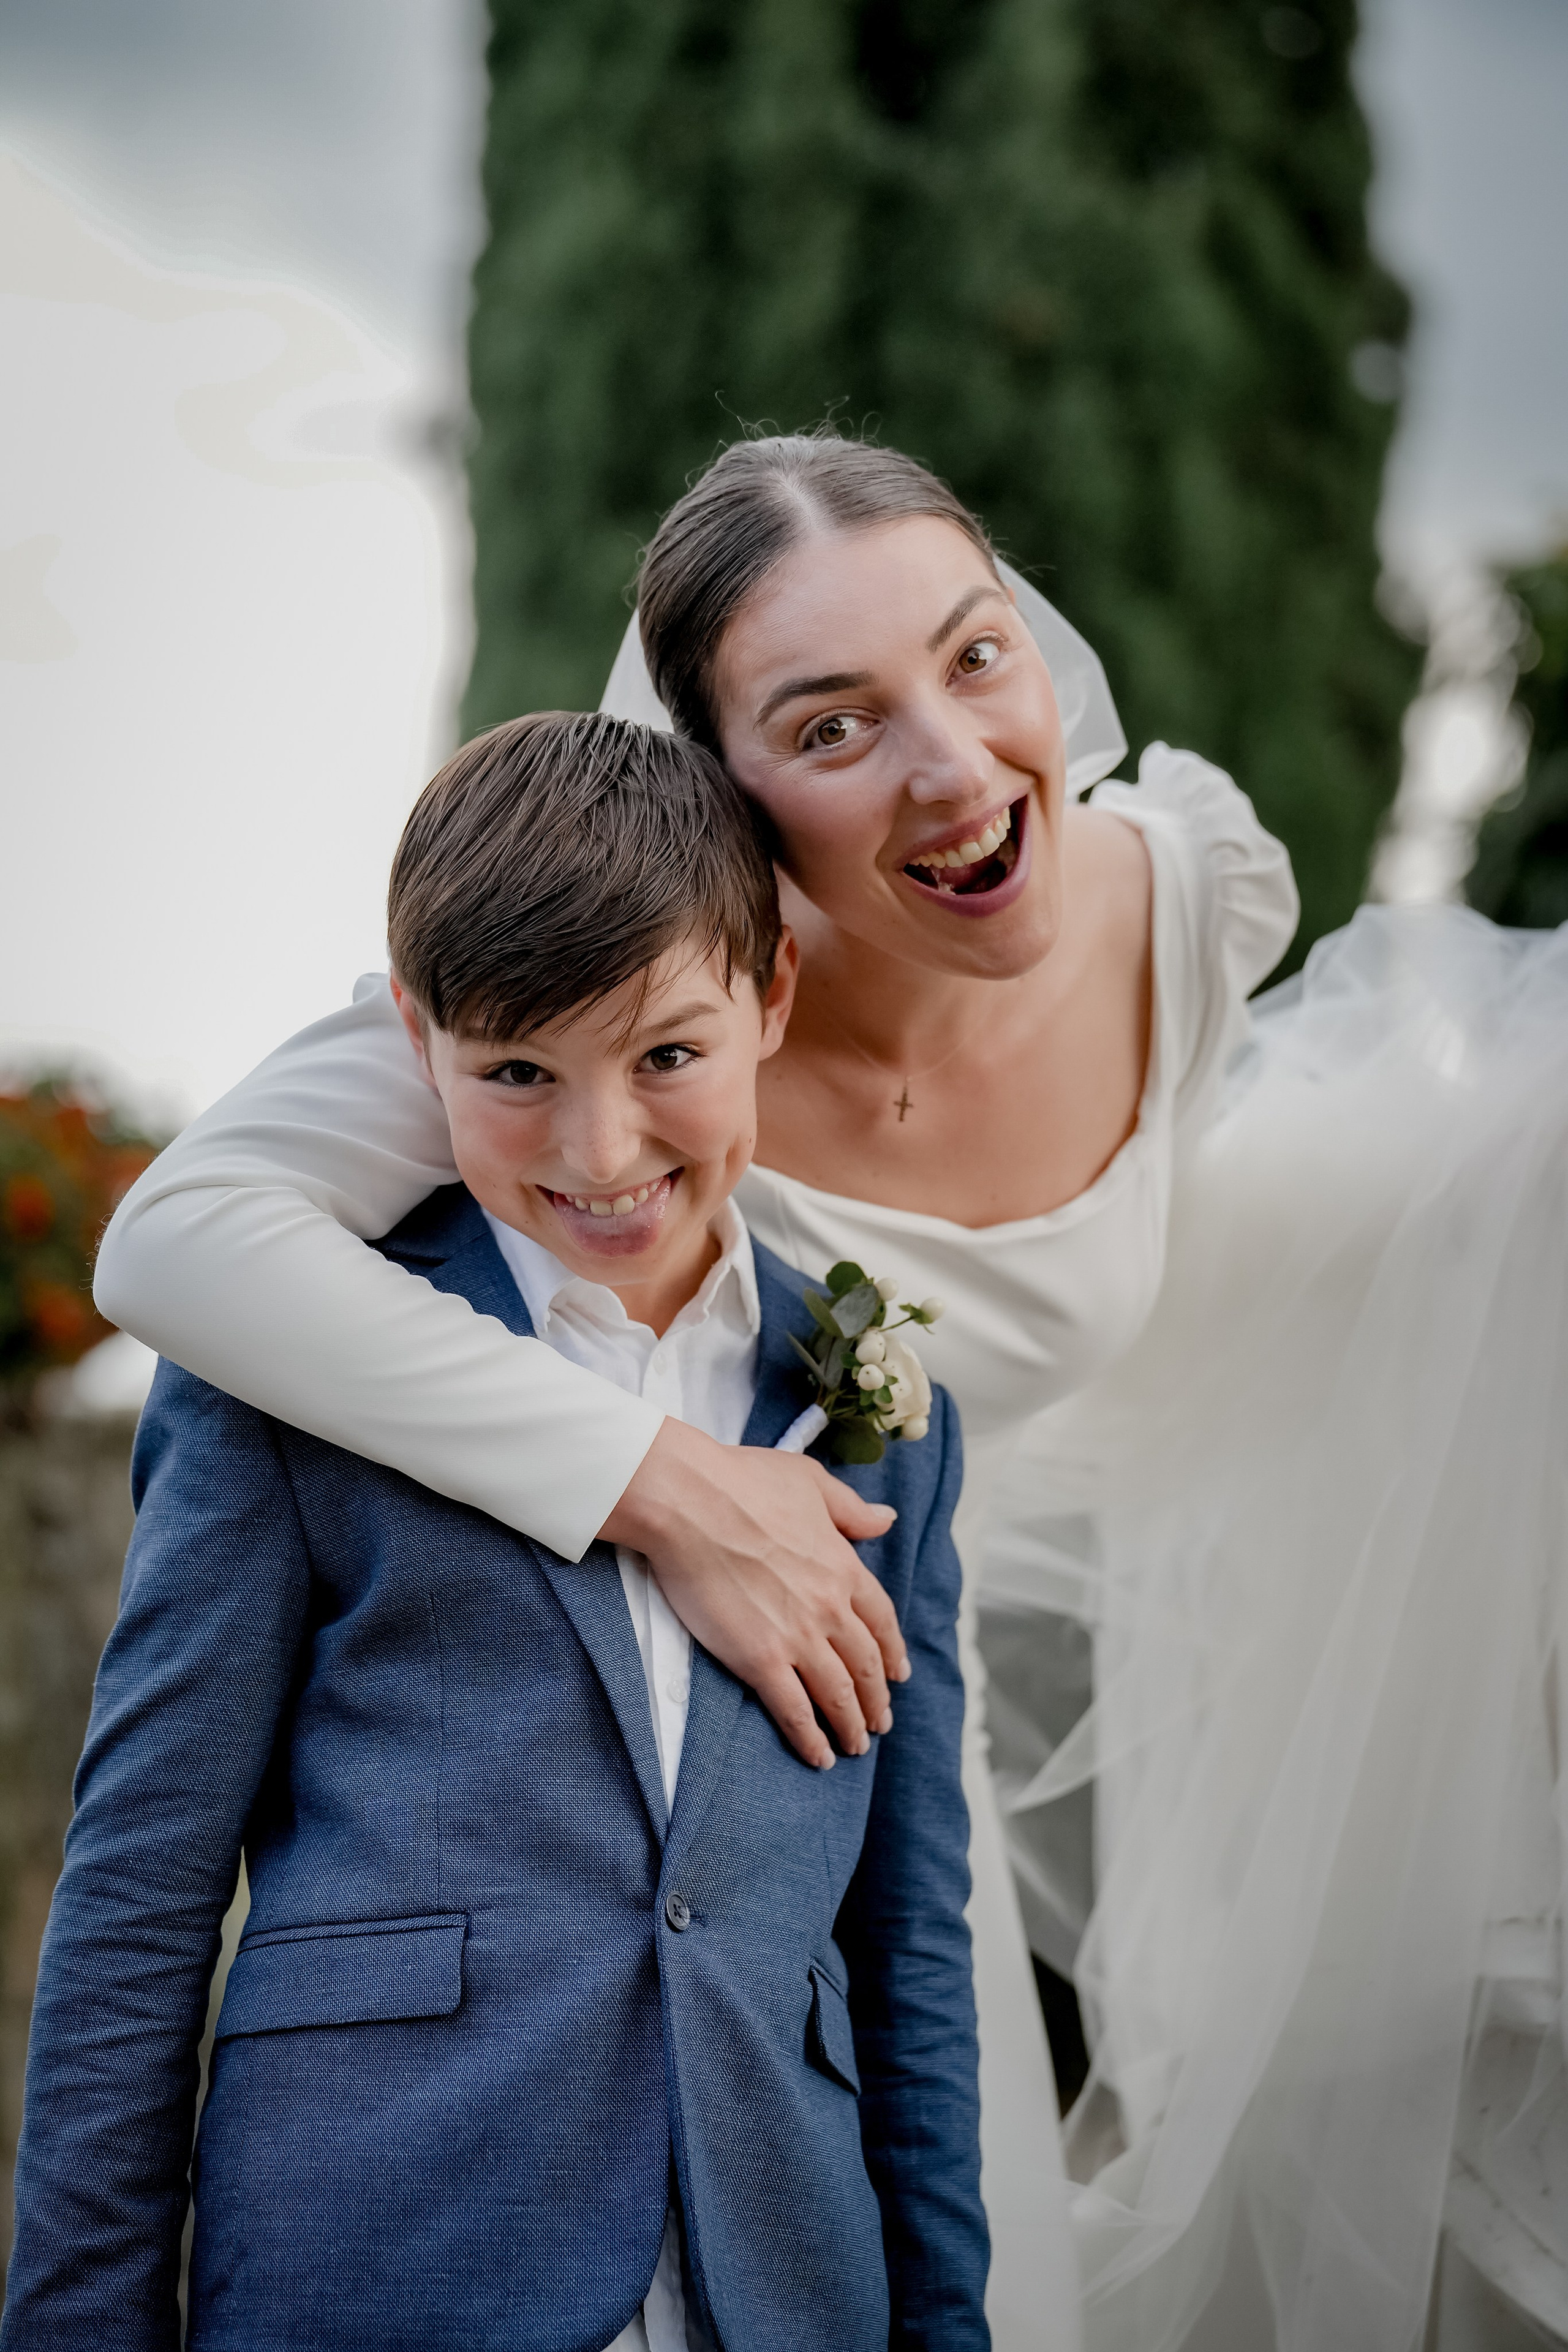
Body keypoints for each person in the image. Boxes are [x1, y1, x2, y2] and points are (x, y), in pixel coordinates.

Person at [91, 433, 1568, 2352]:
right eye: (833, 724)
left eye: (975, 655)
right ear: (723, 791)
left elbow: (1239, 1253)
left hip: (905, 1717)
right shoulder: (620, 1031)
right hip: (759, 1750)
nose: (954, 768)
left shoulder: (1193, 899)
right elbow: (176, 1244)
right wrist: (664, 1483)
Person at [2, 713, 989, 2352]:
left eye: (666, 1058)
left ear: (771, 1000)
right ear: (418, 1036)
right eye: (518, 1072)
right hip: (380, 2259)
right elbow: (139, 1900)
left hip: (783, 2282)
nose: (602, 1153)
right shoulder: (292, 1351)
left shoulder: (889, 1412)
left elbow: (908, 1954)